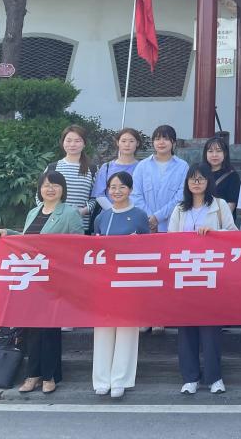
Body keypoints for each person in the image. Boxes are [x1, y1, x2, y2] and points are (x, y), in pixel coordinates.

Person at [0, 171, 83, 394]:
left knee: (49, 329)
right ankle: (32, 374)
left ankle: (50, 375)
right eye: (46, 185)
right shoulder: (33, 212)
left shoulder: (69, 213)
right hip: (33, 279)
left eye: (55, 185)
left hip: (55, 280)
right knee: (32, 329)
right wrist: (8, 233)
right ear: (39, 190)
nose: (50, 189)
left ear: (63, 189)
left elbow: (80, 245)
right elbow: (27, 241)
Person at [169, 162, 237, 396]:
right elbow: (170, 241)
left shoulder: (219, 206)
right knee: (186, 329)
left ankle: (214, 377)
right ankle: (190, 378)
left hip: (211, 275)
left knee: (210, 329)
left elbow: (234, 234)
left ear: (208, 181)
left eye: (201, 178)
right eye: (192, 179)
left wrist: (214, 233)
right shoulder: (180, 209)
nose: (196, 183)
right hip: (185, 274)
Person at [91, 171, 150, 398]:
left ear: (130, 190)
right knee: (103, 329)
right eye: (113, 187)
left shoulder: (139, 216)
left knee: (126, 330)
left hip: (129, 281)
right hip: (104, 281)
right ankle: (101, 379)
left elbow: (148, 249)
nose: (117, 191)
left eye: (122, 187)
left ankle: (120, 380)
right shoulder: (102, 217)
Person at [131, 125, 189, 234]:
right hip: (145, 226)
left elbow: (181, 196)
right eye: (157, 139)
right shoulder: (142, 166)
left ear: (174, 143)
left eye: (166, 139)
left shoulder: (182, 166)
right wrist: (150, 218)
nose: (161, 142)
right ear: (153, 142)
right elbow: (135, 195)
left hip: (172, 225)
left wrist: (158, 217)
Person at [47, 124, 96, 232]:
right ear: (63, 142)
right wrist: (51, 210)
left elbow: (95, 198)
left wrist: (84, 210)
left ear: (84, 144)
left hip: (80, 226)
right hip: (54, 225)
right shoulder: (53, 167)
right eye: (68, 140)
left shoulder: (92, 169)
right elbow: (40, 195)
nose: (72, 144)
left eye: (77, 141)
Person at [91, 128, 141, 212]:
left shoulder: (142, 167)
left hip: (134, 213)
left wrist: (130, 211)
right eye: (123, 141)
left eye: (131, 141)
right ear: (118, 143)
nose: (127, 144)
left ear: (137, 143)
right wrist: (115, 211)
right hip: (109, 214)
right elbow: (99, 195)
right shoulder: (106, 167)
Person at [202, 135, 240, 216]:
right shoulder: (200, 173)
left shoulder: (232, 176)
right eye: (210, 151)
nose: (214, 155)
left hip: (222, 219)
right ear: (205, 154)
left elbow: (231, 204)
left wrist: (217, 220)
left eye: (218, 151)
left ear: (225, 153)